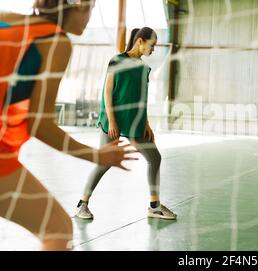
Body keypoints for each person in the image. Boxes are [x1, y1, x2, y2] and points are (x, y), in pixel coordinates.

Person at [0, 0, 137, 250]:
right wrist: (96, 155)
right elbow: (39, 123)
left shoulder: (5, 17)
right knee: (57, 228)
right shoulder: (55, 41)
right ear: (77, 6)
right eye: (91, 10)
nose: (90, 18)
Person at [75, 27, 177, 220]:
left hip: (134, 120)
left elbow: (142, 98)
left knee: (154, 158)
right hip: (113, 118)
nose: (153, 49)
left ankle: (154, 206)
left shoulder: (144, 68)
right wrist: (113, 121)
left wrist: (146, 122)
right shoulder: (117, 60)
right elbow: (107, 92)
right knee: (104, 162)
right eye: (152, 45)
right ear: (140, 41)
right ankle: (83, 204)